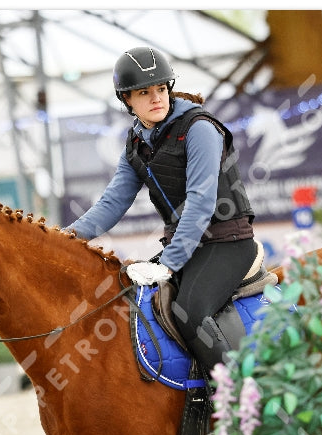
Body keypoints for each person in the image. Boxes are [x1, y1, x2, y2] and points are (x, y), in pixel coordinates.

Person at [65, 46, 257, 378]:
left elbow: (200, 203)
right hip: (185, 248)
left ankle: (240, 398)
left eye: (160, 89)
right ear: (127, 100)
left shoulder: (199, 128)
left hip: (228, 243)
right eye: (144, 92)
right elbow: (112, 203)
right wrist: (63, 238)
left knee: (190, 312)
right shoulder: (135, 143)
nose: (157, 97)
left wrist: (168, 264)